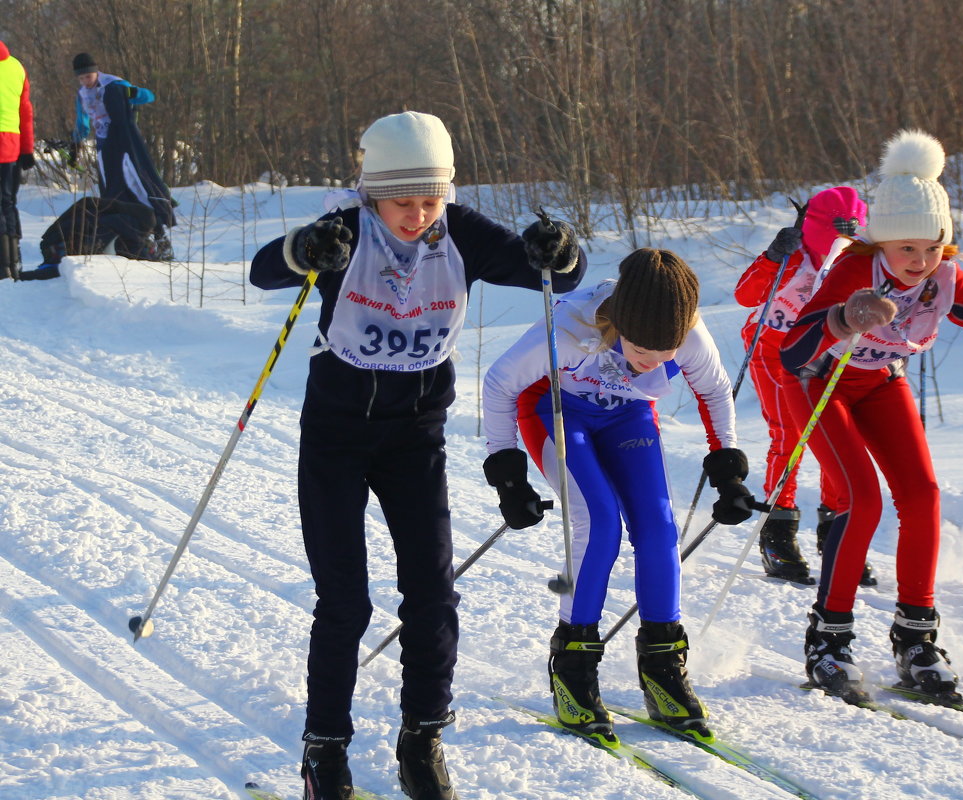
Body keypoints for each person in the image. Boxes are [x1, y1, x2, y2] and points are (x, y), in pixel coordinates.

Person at [249, 111, 586, 800]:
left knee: (433, 593)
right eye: (404, 202)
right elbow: (262, 273)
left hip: (415, 436)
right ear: (372, 194)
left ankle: (422, 737)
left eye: (431, 200)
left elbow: (559, 277)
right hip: (337, 435)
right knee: (346, 602)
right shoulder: (345, 230)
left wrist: (560, 248)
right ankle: (326, 750)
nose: (419, 215)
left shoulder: (457, 232)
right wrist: (305, 250)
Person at [778, 130, 963, 702]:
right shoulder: (853, 271)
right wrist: (843, 318)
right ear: (880, 243)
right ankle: (829, 638)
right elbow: (790, 351)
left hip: (880, 385)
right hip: (819, 386)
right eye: (905, 250)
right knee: (860, 498)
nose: (919, 262)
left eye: (930, 247)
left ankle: (916, 637)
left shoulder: (943, 274)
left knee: (922, 496)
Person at [481, 248, 754, 744]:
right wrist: (509, 476)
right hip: (556, 410)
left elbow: (714, 392)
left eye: (664, 355)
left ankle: (662, 666)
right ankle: (573, 668)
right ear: (618, 324)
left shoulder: (686, 329)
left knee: (658, 529)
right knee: (599, 522)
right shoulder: (569, 329)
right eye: (640, 351)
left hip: (627, 416)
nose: (652, 363)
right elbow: (500, 383)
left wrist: (728, 471)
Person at [734, 186, 878, 587]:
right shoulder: (793, 256)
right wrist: (771, 257)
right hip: (772, 348)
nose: (839, 246)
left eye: (850, 236)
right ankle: (777, 533)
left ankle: (834, 531)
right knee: (789, 435)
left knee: (837, 438)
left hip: (829, 353)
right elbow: (745, 295)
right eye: (834, 236)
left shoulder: (861, 261)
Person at [71, 52, 175, 258]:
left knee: (137, 187)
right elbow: (82, 123)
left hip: (125, 145)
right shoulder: (82, 95)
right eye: (81, 78)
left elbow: (148, 96)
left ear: (96, 72)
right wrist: (76, 143)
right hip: (105, 147)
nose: (85, 81)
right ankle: (128, 241)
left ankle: (159, 236)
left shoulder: (113, 85)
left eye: (88, 77)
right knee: (112, 194)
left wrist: (132, 93)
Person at [19, 195, 157, 280]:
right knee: (60, 271)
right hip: (56, 247)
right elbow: (85, 260)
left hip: (53, 242)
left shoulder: (108, 212)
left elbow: (133, 248)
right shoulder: (110, 223)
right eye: (146, 232)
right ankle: (19, 277)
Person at [0, 39, 35, 281]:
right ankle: (13, 264)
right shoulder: (16, 67)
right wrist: (27, 149)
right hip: (11, 145)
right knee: (8, 202)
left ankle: (2, 267)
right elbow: (26, 111)